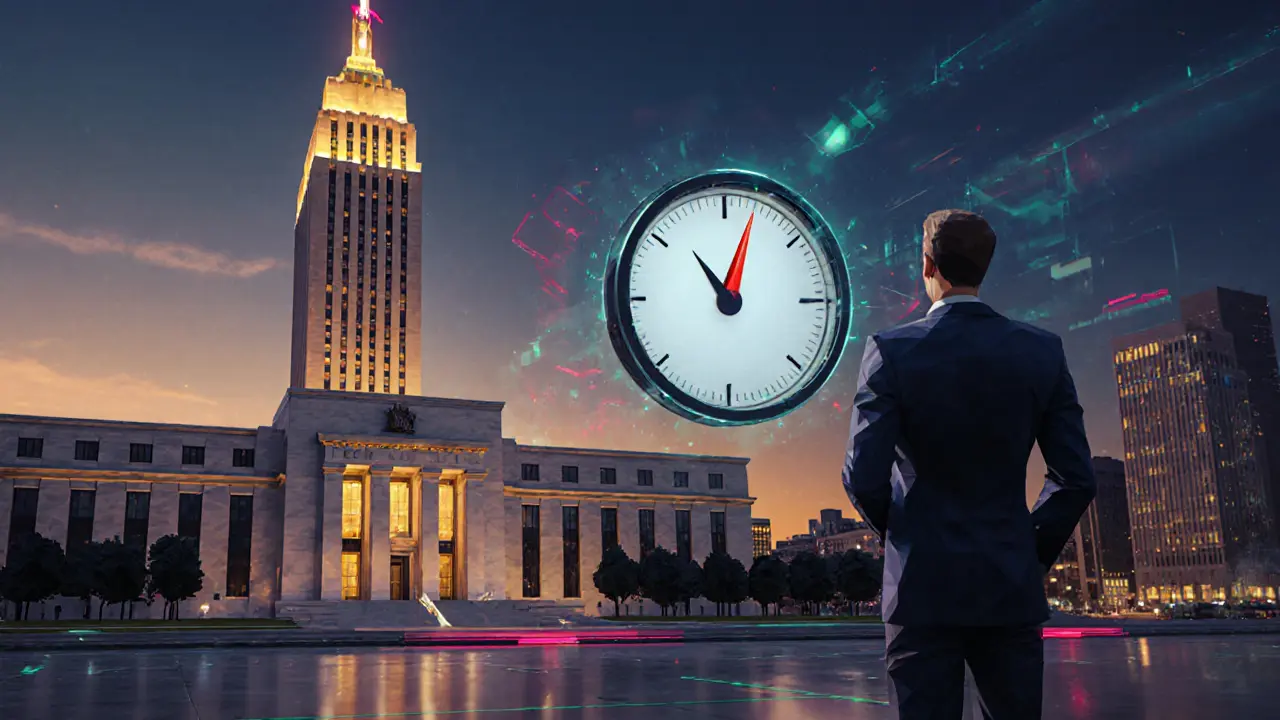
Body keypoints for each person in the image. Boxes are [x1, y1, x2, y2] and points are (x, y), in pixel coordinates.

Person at [843, 209, 1096, 719]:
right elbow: (1076, 479)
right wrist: (1024, 548)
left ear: (927, 264)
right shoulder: (1042, 352)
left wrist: (909, 537)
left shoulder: (890, 351)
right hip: (1008, 586)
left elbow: (862, 476)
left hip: (920, 590)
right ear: (985, 266)